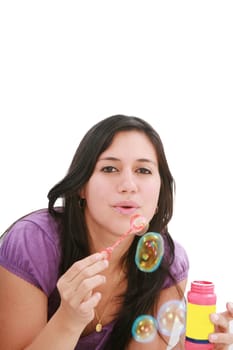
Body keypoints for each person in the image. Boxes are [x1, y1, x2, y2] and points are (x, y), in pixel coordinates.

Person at [0, 114, 232, 350]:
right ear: (81, 185)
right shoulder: (32, 244)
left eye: (143, 170)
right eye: (110, 168)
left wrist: (206, 345)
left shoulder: (167, 263)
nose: (128, 185)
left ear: (160, 188)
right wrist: (68, 319)